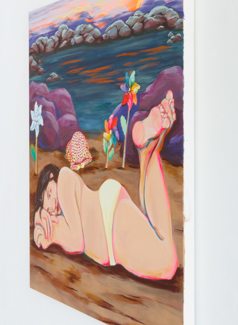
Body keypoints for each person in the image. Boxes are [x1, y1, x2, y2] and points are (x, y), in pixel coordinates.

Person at [32, 91, 179, 280]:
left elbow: (76, 242)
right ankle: (147, 149)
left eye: (48, 195)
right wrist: (45, 219)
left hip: (108, 223)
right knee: (159, 234)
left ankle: (146, 148)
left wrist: (50, 236)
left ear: (52, 177)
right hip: (109, 217)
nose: (52, 206)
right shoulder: (65, 206)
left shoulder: (64, 179)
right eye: (49, 208)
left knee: (166, 264)